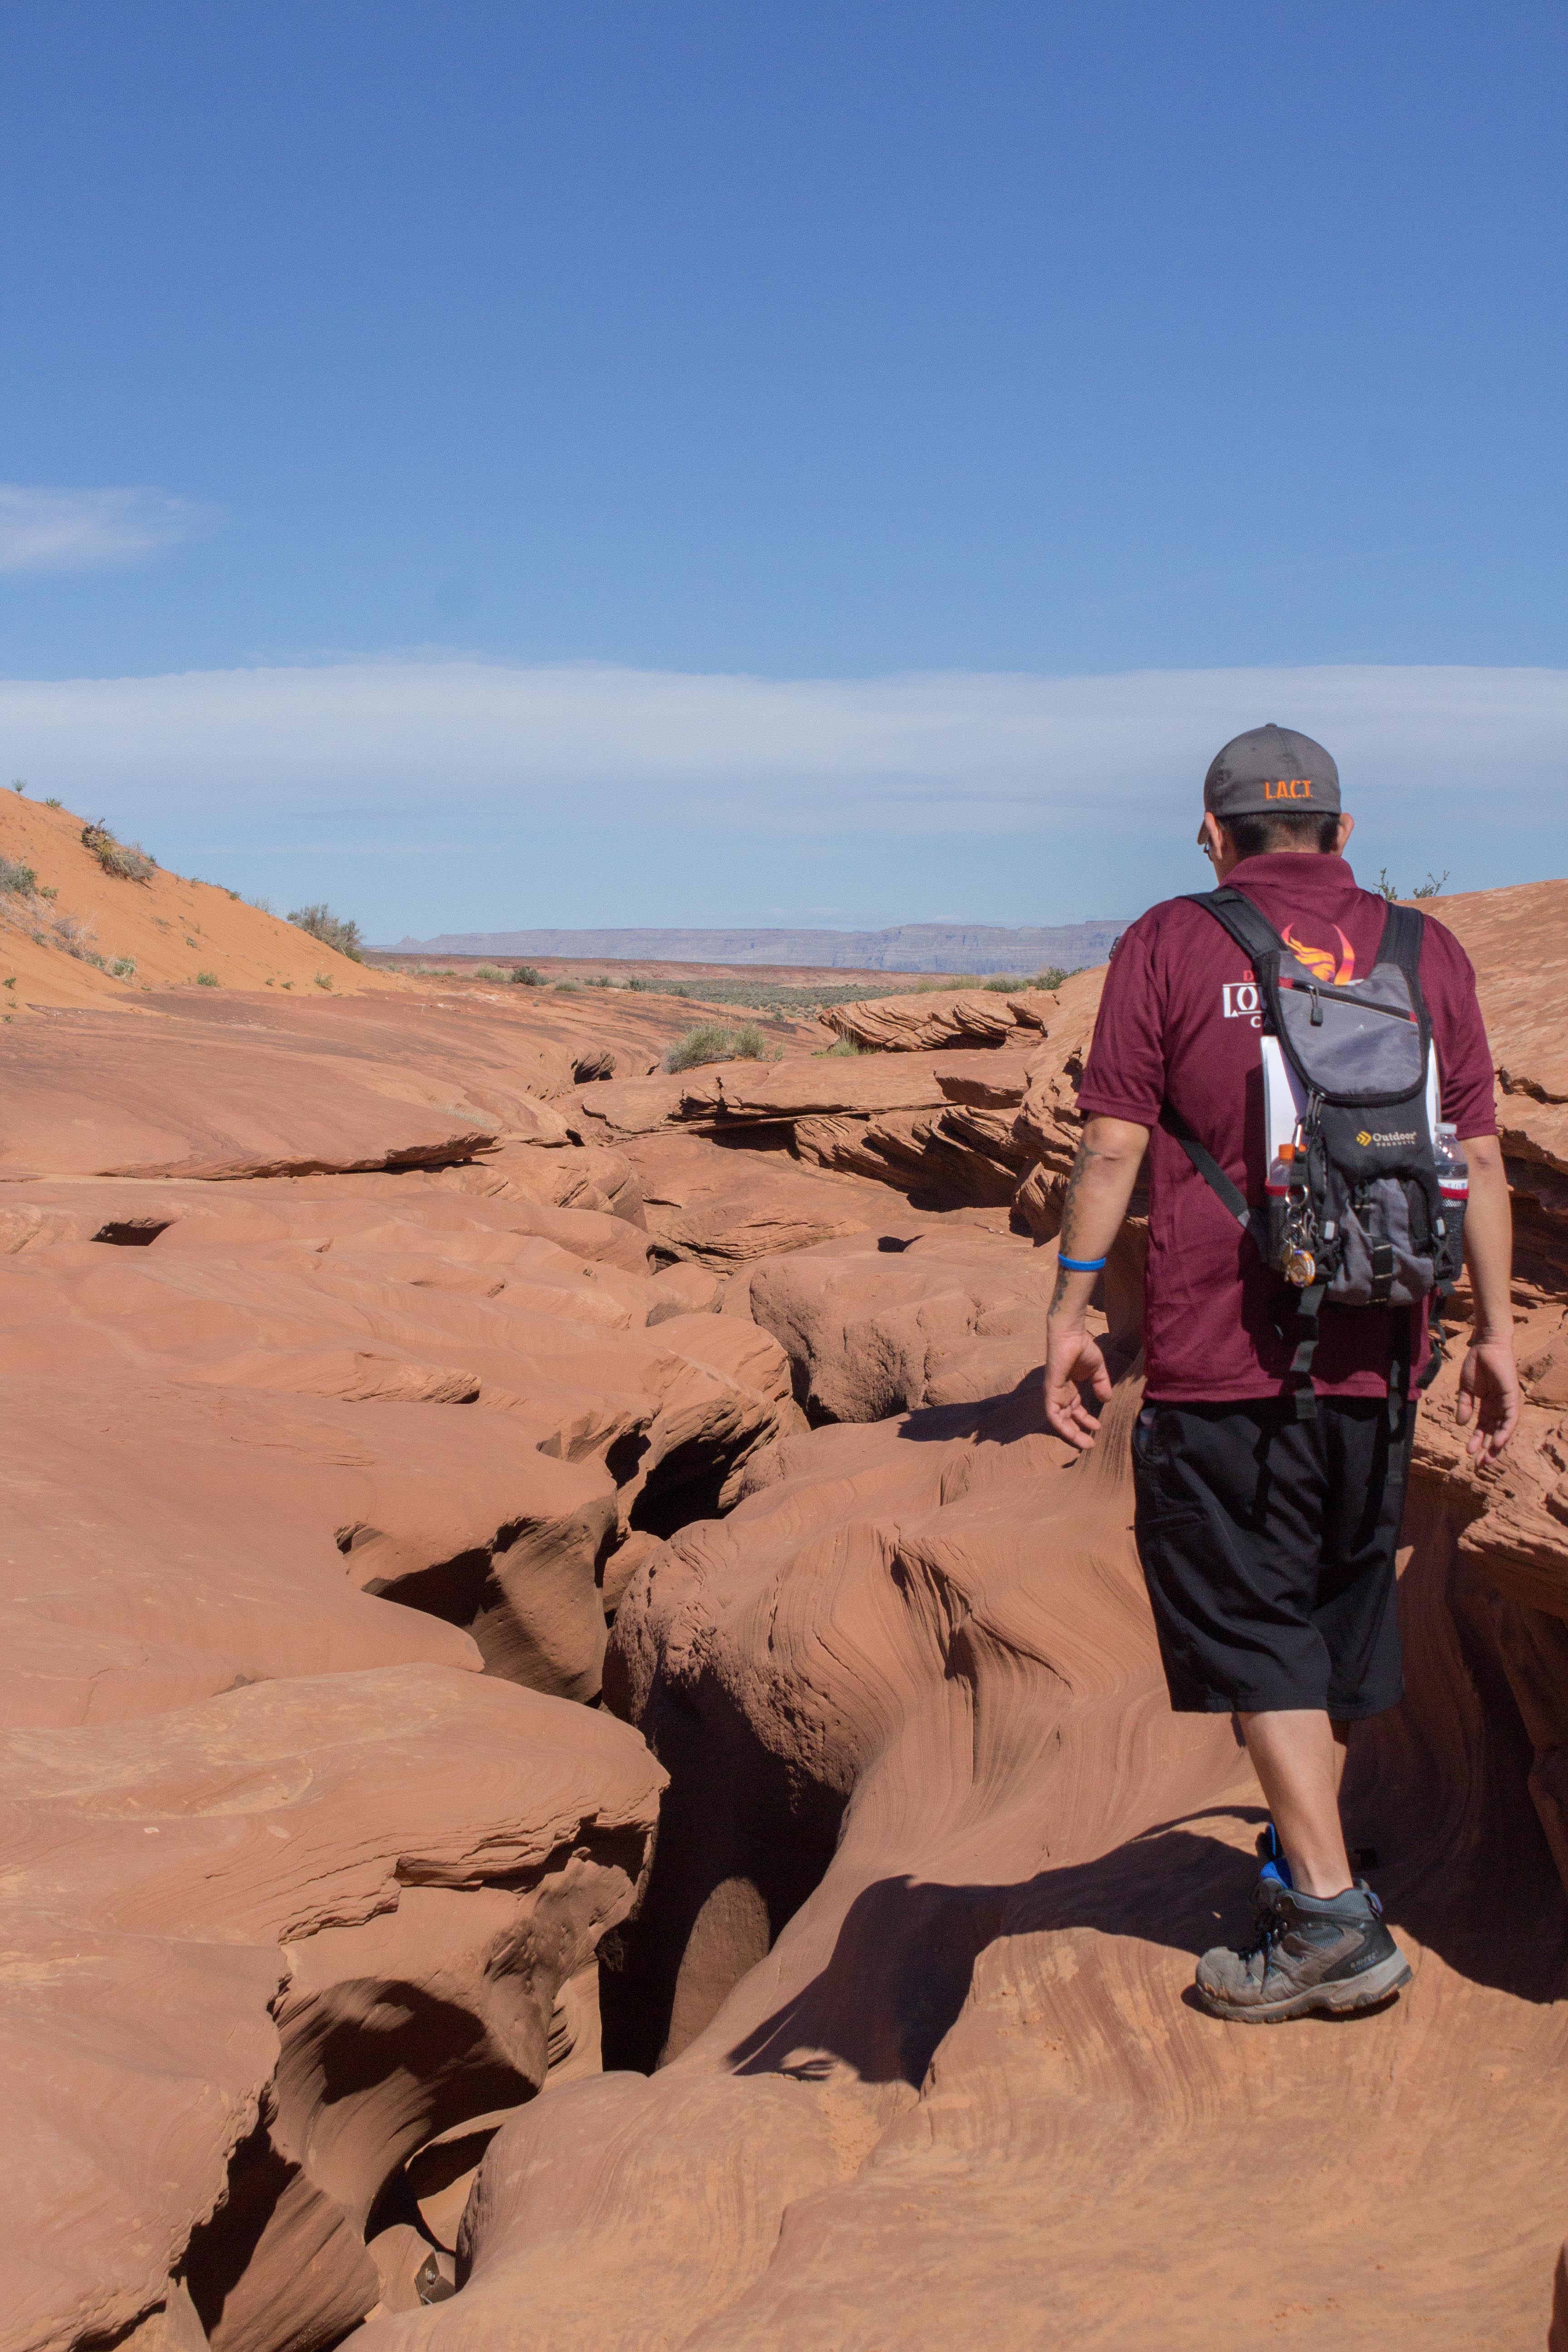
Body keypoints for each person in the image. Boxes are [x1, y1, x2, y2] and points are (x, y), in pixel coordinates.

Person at [1042, 722, 1519, 2023]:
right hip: (1385, 1352)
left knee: (1252, 1626)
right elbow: (1475, 1149)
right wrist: (1496, 1337)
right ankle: (1310, 1861)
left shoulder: (1171, 941)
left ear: (1214, 835)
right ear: (1345, 834)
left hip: (1226, 1356)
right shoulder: (1428, 953)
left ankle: (1327, 1921)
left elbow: (1108, 1147)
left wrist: (1075, 1309)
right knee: (1327, 1625)